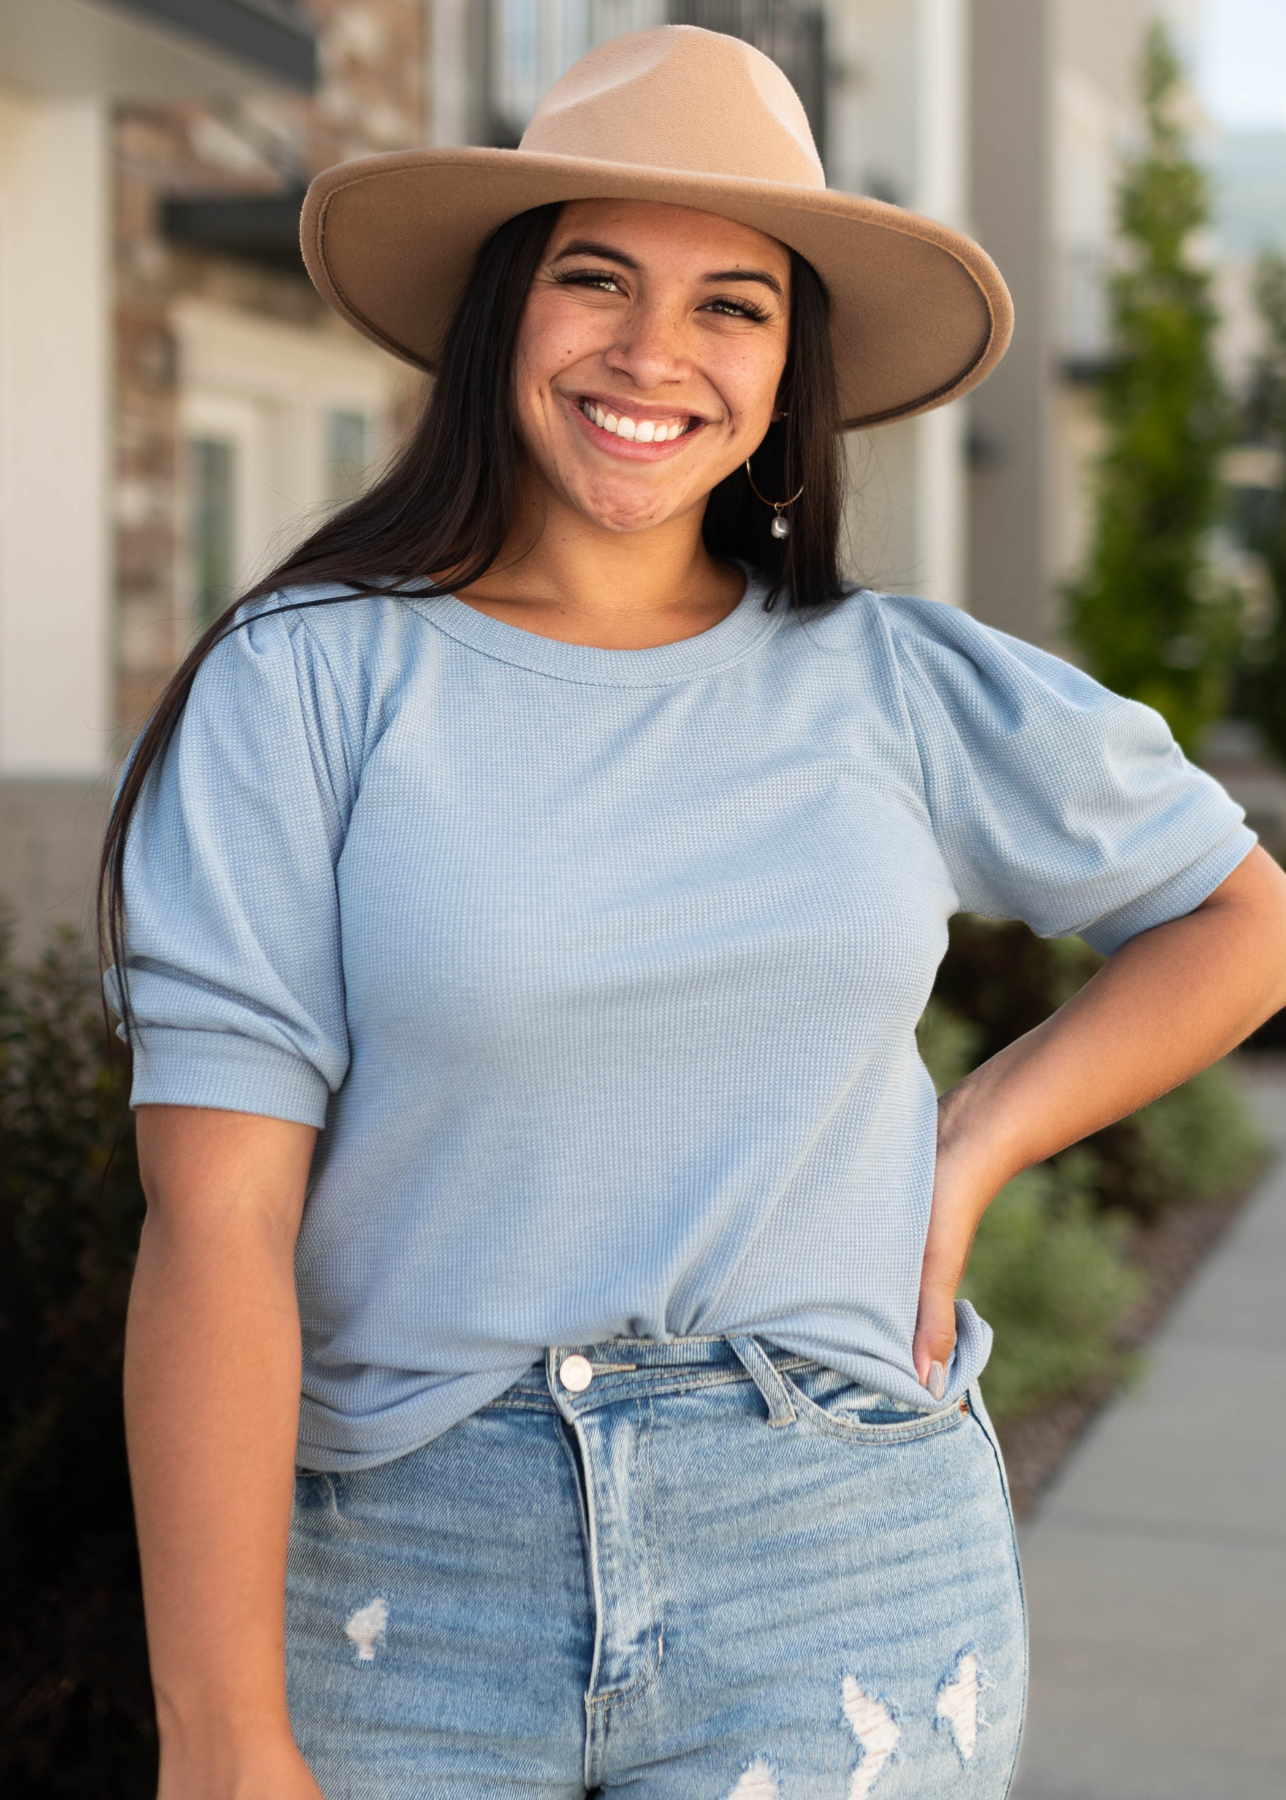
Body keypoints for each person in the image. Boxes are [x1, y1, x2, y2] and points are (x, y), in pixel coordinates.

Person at [103, 26, 1286, 1800]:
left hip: (839, 1554)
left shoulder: (892, 685)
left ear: (789, 363)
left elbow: (1237, 917)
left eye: (732, 304)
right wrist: (219, 1736)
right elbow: (213, 1226)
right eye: (595, 279)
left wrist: (970, 1148)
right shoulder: (308, 686)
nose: (653, 353)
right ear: (506, 311)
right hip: (405, 1567)